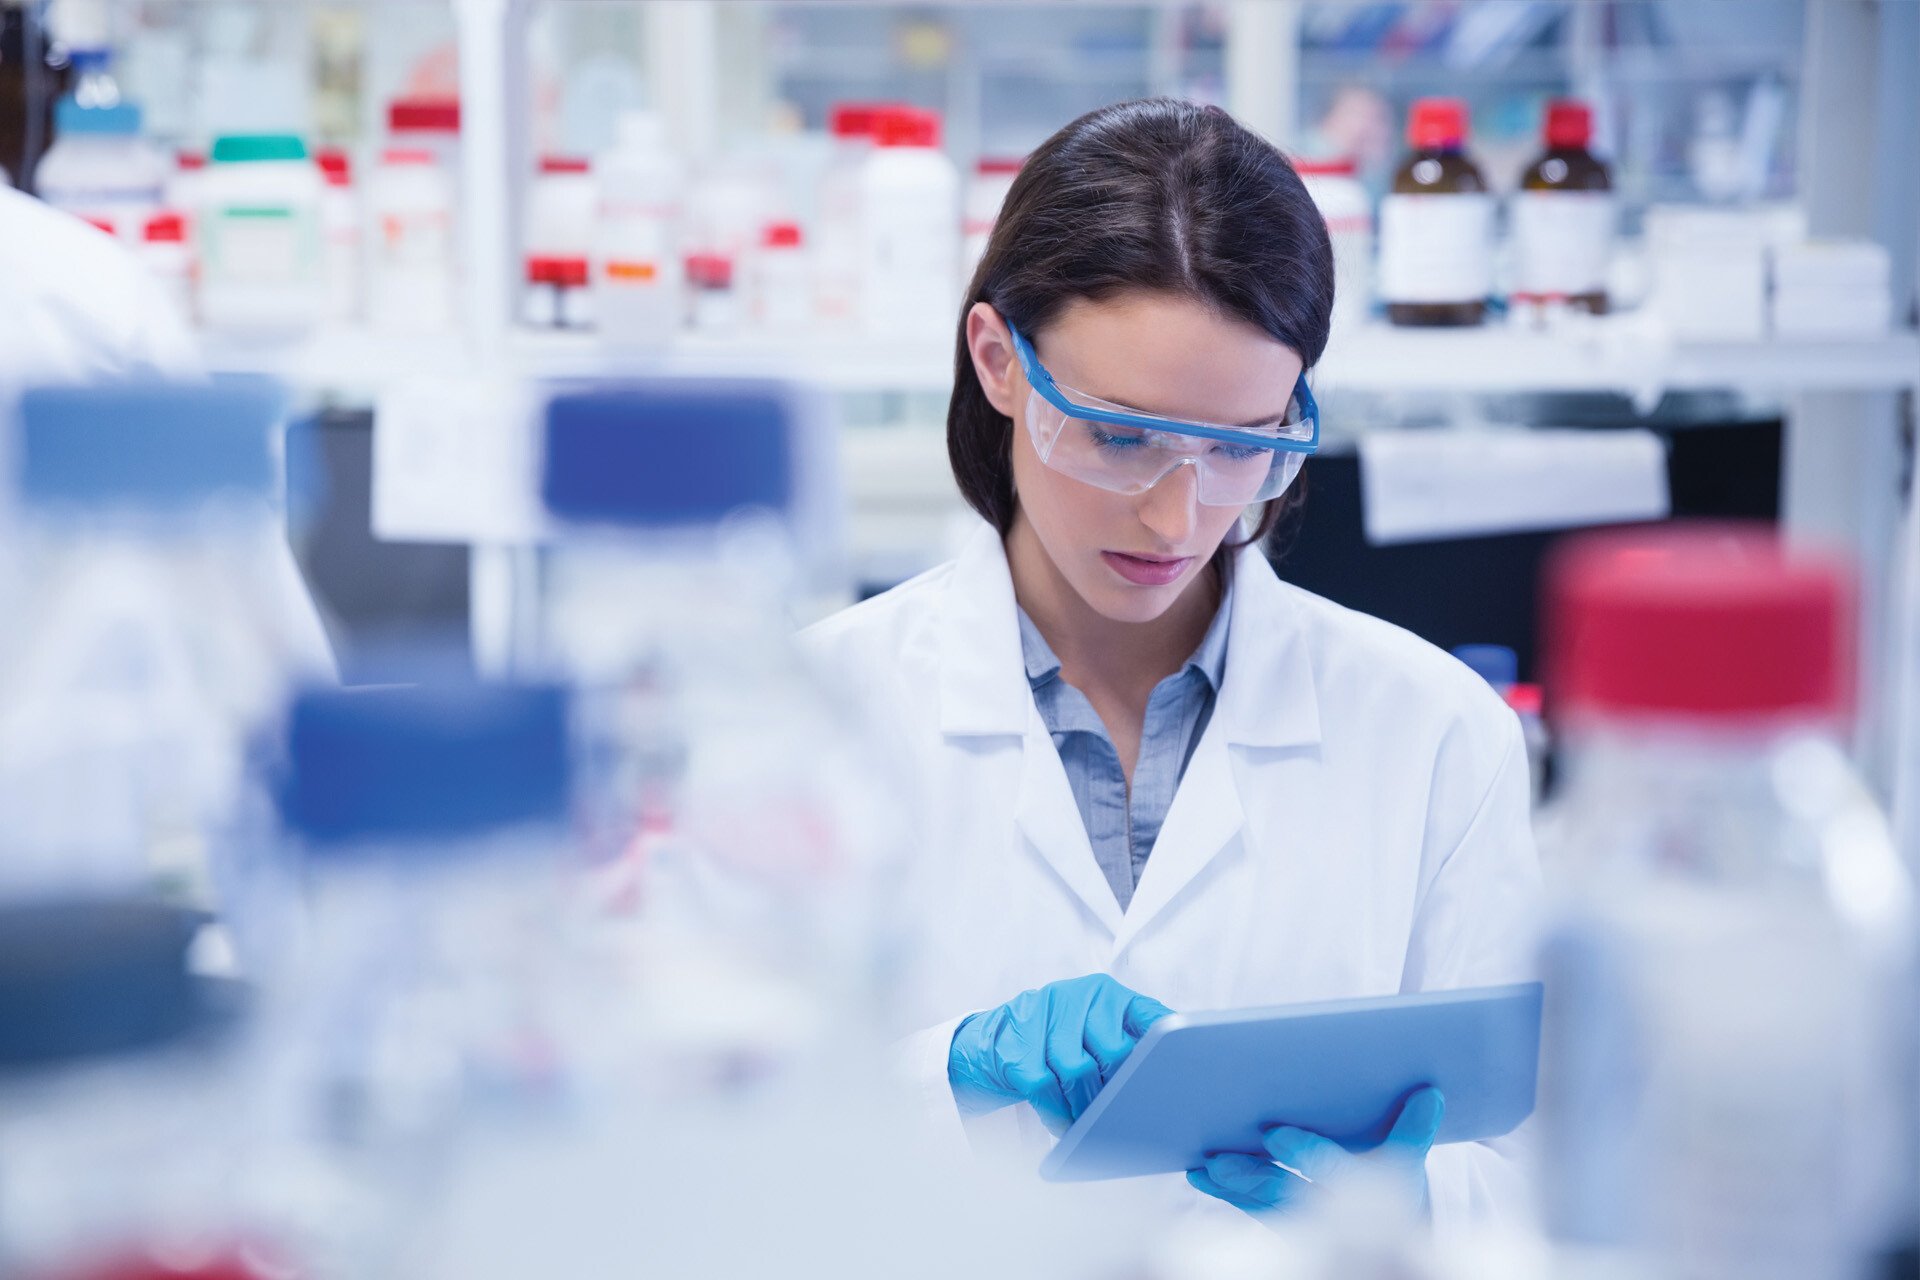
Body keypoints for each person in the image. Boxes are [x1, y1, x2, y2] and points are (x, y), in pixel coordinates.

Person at [802, 98, 1540, 1237]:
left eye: (1244, 445)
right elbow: (694, 1147)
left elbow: (1530, 1174)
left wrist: (1419, 1194)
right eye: (1120, 434)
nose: (1175, 512)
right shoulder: (817, 714)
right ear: (1000, 361)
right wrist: (945, 1073)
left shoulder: (1438, 731)